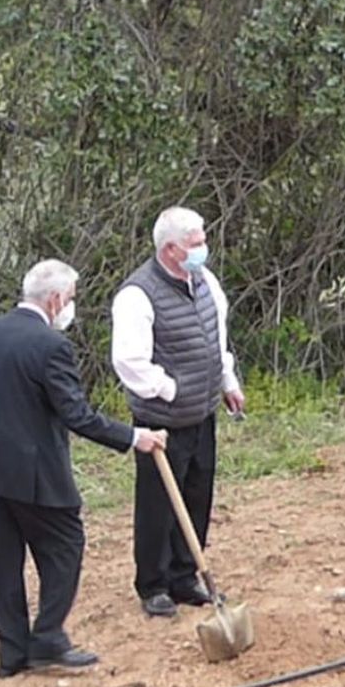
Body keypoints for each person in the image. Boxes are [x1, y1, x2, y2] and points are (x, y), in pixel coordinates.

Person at [0, 260, 167, 678]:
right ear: (54, 299)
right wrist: (132, 437)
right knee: (66, 544)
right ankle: (48, 635)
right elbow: (78, 414)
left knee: (1, 560)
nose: (69, 307)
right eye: (69, 299)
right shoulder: (51, 346)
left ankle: (12, 652)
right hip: (36, 473)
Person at [112, 206, 245, 617]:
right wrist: (169, 389)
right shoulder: (137, 295)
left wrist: (227, 381)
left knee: (197, 494)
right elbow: (129, 361)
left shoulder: (207, 282)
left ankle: (186, 575)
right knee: (157, 503)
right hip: (162, 422)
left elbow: (216, 337)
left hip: (203, 412)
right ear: (170, 250)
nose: (203, 249)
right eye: (195, 243)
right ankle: (153, 583)